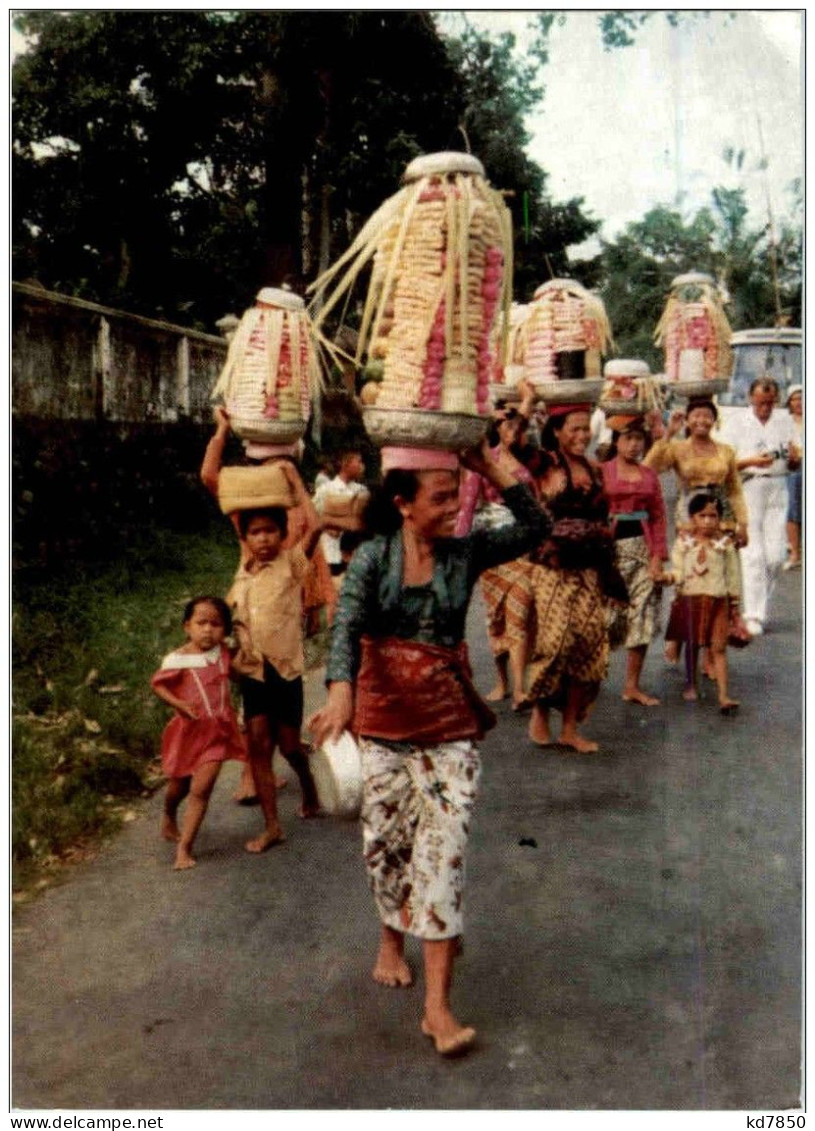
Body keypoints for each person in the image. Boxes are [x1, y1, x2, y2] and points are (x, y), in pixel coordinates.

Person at [308, 441, 549, 1057]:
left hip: (448, 727)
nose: (454, 506)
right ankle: (393, 933)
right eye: (441, 497)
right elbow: (347, 628)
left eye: (457, 494)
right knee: (385, 849)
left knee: (442, 854)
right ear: (403, 505)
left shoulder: (465, 553)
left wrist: (488, 466)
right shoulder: (370, 560)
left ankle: (438, 1007)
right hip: (383, 724)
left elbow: (536, 525)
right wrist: (340, 695)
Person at [201, 406, 333, 802]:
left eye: (283, 463)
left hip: (290, 599)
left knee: (282, 692)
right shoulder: (249, 505)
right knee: (254, 697)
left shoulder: (290, 505)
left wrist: (321, 600)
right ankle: (252, 774)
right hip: (251, 605)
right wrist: (222, 431)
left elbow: (314, 536)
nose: (262, 536)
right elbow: (209, 477)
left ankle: (281, 764)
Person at [228, 464, 323, 852]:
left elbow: (314, 526)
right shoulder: (242, 576)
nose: (263, 538)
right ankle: (272, 826)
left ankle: (309, 784)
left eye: (270, 531)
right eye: (255, 532)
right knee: (258, 746)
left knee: (289, 747)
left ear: (282, 535)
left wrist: (296, 482)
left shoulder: (292, 565)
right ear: (246, 539)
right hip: (252, 673)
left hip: (284, 671)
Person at [526, 404, 627, 754]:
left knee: (589, 645)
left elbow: (603, 522)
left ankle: (569, 728)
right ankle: (539, 708)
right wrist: (526, 403)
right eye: (574, 429)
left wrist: (612, 576)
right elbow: (514, 445)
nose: (582, 436)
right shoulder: (546, 464)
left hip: (589, 566)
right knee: (555, 644)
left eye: (586, 429)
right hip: (553, 566)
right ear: (557, 430)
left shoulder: (595, 470)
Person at [455, 383, 538, 707]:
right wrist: (460, 549)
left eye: (518, 425)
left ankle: (519, 687)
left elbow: (534, 507)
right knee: (496, 617)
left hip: (519, 549)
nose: (514, 430)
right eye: (508, 424)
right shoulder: (482, 464)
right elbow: (467, 507)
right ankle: (502, 681)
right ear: (497, 427)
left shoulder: (523, 463)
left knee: (519, 612)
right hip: (491, 548)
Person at [151, 597, 246, 870]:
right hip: (189, 732)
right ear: (187, 627)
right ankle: (169, 814)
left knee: (201, 789)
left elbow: (237, 673)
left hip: (217, 733)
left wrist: (242, 641)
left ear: (225, 630)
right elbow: (158, 685)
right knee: (178, 787)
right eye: (201, 623)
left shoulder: (223, 653)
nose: (208, 630)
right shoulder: (178, 659)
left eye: (216, 624)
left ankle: (184, 847)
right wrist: (179, 704)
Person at [719, 378, 798, 635]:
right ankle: (753, 614)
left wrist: (795, 460)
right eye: (761, 402)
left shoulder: (785, 421)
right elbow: (724, 463)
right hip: (750, 486)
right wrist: (751, 461)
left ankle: (758, 604)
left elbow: (794, 459)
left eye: (770, 402)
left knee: (776, 556)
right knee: (753, 554)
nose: (766, 407)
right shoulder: (736, 423)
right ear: (751, 398)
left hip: (778, 485)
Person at [601, 415, 669, 705]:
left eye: (638, 439)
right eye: (627, 438)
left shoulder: (650, 475)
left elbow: (658, 516)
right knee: (606, 616)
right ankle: (591, 678)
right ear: (616, 441)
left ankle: (632, 685)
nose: (633, 445)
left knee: (642, 613)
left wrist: (657, 558)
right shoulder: (601, 472)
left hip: (642, 549)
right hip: (610, 551)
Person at [662, 492, 741, 714]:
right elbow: (678, 571)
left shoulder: (725, 545)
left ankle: (724, 695)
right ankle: (691, 683)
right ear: (692, 518)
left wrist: (735, 605)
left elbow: (733, 575)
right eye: (702, 516)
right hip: (691, 599)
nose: (707, 521)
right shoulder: (684, 543)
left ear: (719, 518)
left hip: (718, 600)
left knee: (719, 647)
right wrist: (667, 578)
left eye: (713, 516)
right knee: (692, 644)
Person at [313, 448, 370, 586]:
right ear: (346, 463)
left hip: (354, 554)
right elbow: (313, 516)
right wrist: (327, 528)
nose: (362, 466)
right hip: (330, 552)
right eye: (359, 461)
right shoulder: (326, 489)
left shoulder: (362, 491)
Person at [783, 384, 803, 571]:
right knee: (792, 511)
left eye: (802, 398)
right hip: (793, 469)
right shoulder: (784, 421)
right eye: (795, 399)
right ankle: (795, 553)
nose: (799, 402)